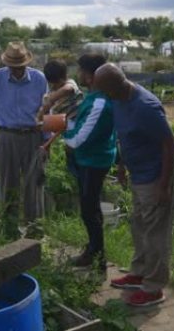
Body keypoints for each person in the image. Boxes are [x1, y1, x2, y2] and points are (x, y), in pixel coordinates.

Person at [94, 63, 174, 307]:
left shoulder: (146, 107)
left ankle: (153, 288)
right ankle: (139, 273)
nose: (101, 94)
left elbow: (170, 146)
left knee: (155, 234)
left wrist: (164, 186)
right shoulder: (119, 99)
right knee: (139, 226)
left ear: (114, 86)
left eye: (103, 89)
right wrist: (122, 165)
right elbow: (124, 135)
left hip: (154, 177)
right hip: (138, 174)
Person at [0, 42, 48, 238]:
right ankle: (10, 229)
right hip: (7, 135)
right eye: (13, 66)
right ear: (7, 64)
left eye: (20, 66)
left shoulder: (38, 79)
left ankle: (34, 229)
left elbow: (46, 110)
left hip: (33, 135)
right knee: (8, 183)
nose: (16, 70)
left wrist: (46, 141)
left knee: (34, 184)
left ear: (26, 64)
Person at [62, 54, 115, 270]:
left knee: (89, 209)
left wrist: (63, 132)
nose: (79, 74)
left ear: (92, 76)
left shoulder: (100, 102)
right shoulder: (93, 97)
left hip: (95, 160)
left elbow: (79, 138)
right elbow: (80, 124)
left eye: (82, 71)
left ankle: (97, 257)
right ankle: (95, 252)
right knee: (90, 208)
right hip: (88, 158)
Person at [37, 59, 84, 178]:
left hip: (79, 125)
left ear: (64, 77)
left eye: (57, 83)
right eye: (52, 83)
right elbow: (45, 117)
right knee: (73, 168)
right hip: (65, 130)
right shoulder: (50, 93)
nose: (54, 86)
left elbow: (67, 89)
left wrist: (52, 100)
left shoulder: (70, 84)